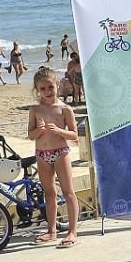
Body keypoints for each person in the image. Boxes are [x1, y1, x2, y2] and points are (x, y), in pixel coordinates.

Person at [28, 67, 80, 248]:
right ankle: (51, 230)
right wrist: (39, 130)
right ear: (37, 90)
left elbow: (74, 134)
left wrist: (59, 131)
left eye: (50, 87)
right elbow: (30, 135)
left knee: (68, 191)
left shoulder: (64, 109)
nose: (47, 92)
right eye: (42, 89)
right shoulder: (35, 109)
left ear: (57, 85)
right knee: (49, 192)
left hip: (61, 152)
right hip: (42, 154)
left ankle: (72, 231)